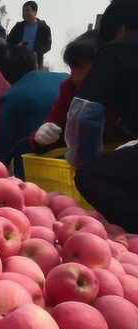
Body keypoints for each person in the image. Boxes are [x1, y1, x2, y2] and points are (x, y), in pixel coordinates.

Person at [58, 0, 138, 234]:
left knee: (90, 176)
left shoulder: (117, 48)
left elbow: (85, 112)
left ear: (120, 28)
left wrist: (83, 160)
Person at [30, 31, 132, 154]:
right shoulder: (69, 88)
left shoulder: (128, 88)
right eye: (72, 68)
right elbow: (55, 120)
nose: (75, 76)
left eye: (82, 68)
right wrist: (42, 136)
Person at [0, 45, 68, 179]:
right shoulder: (65, 79)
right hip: (75, 162)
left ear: (4, 75)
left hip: (37, 172)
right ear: (35, 64)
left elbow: (3, 148)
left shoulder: (11, 96)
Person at [6, 1, 52, 69]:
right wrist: (17, 47)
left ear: (35, 12)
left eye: (27, 11)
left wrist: (36, 53)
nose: (25, 13)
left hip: (35, 62)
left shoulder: (43, 27)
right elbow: (8, 41)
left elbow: (47, 45)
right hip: (18, 61)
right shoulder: (18, 27)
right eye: (23, 11)